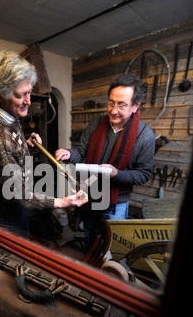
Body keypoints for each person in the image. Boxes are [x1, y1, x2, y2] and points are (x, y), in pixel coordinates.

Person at [0, 50, 87, 238]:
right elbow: (21, 198)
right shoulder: (0, 144)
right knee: (17, 263)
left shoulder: (2, 112)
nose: (28, 101)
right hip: (6, 217)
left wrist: (23, 144)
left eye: (29, 92)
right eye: (21, 95)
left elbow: (7, 147)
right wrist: (62, 202)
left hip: (10, 205)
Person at [55, 73, 155, 251]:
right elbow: (81, 151)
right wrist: (68, 154)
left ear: (136, 106)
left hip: (116, 203)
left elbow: (144, 174)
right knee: (89, 242)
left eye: (121, 105)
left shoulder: (145, 135)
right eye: (111, 102)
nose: (113, 110)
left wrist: (117, 174)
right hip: (90, 196)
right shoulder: (96, 124)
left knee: (111, 250)